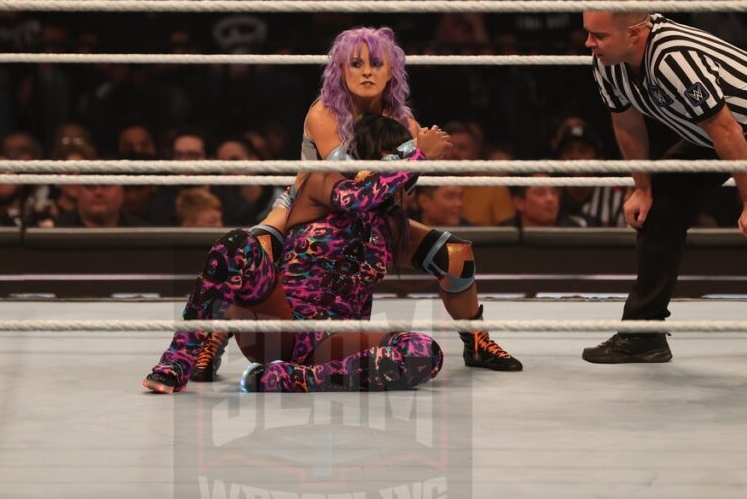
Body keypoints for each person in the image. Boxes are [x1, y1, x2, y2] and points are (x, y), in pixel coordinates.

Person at [581, 0, 747, 385]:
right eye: (588, 32)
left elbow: (727, 129)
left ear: (634, 32)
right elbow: (627, 123)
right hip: (709, 133)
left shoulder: (673, 58)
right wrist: (643, 187)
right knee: (659, 211)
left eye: (598, 34)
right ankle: (644, 335)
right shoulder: (607, 63)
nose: (589, 43)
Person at [144, 115, 450, 394]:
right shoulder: (322, 183)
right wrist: (418, 154)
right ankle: (178, 360)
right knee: (238, 243)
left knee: (424, 352)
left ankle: (295, 379)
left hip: (333, 340)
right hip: (282, 320)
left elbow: (452, 251)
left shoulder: (394, 223)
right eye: (394, 160)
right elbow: (356, 197)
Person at [297, 26, 522, 371]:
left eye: (376, 63)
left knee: (456, 257)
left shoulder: (404, 121)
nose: (367, 72)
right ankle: (209, 342)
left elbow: (401, 184)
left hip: (377, 224)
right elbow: (350, 179)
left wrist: (420, 155)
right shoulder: (324, 113)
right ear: (340, 71)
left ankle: (477, 341)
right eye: (355, 64)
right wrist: (415, 152)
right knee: (250, 251)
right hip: (322, 227)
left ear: (392, 72)